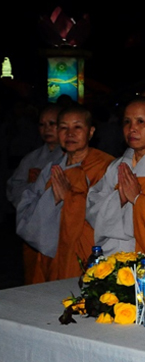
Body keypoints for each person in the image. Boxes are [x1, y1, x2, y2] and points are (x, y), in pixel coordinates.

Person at [86, 97, 145, 279]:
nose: (132, 128)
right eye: (127, 122)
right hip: (113, 259)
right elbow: (92, 208)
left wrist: (138, 200)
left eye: (141, 122)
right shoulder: (116, 167)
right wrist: (119, 199)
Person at [17, 105, 115, 281]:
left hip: (86, 254)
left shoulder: (106, 166)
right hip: (50, 252)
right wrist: (50, 200)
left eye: (77, 127)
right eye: (63, 127)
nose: (70, 133)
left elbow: (110, 214)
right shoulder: (52, 169)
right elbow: (26, 206)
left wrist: (69, 198)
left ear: (91, 132)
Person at [7, 104, 64, 284]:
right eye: (42, 124)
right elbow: (14, 186)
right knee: (34, 276)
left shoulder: (71, 155)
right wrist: (33, 189)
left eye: (52, 124)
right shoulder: (32, 158)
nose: (46, 129)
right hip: (33, 225)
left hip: (60, 228)